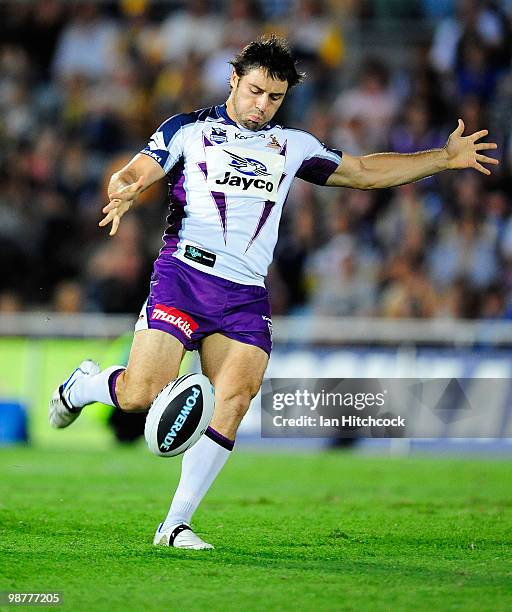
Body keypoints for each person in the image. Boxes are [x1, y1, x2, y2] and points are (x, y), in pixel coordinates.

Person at [49, 36, 498, 550]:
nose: (262, 105)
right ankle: (82, 385)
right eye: (256, 91)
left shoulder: (292, 146)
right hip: (184, 277)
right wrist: (124, 186)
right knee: (139, 394)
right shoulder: (188, 130)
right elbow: (138, 169)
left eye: (275, 97)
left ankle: (175, 524)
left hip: (244, 293)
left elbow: (365, 172)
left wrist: (443, 158)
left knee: (234, 399)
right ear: (234, 79)